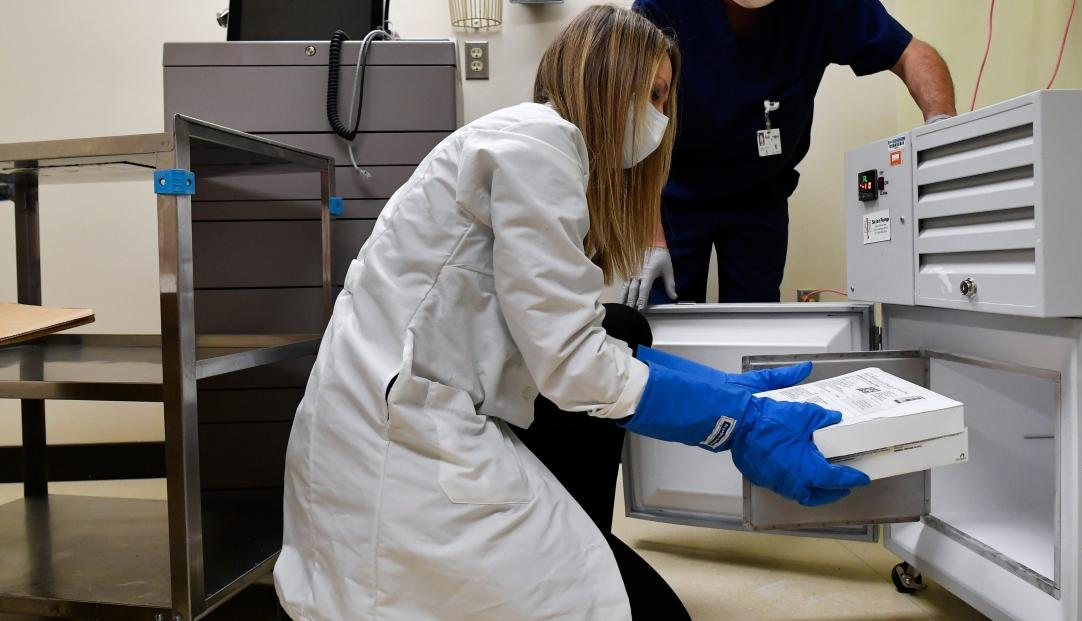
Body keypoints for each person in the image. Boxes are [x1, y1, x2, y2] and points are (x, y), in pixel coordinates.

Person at [274, 6, 868, 620]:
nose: (660, 118)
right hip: (403, 457)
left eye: (668, 101)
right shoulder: (542, 143)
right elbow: (574, 367)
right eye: (653, 94)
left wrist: (720, 389)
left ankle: (572, 530)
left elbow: (576, 339)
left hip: (397, 414)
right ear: (609, 77)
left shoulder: (529, 141)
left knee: (624, 327)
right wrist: (734, 421)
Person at [621, 0, 956, 309]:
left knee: (755, 329)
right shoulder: (663, 5)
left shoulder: (824, 7)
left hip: (760, 197)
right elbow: (634, 114)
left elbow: (912, 54)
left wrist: (943, 135)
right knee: (663, 325)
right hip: (672, 192)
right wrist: (650, 237)